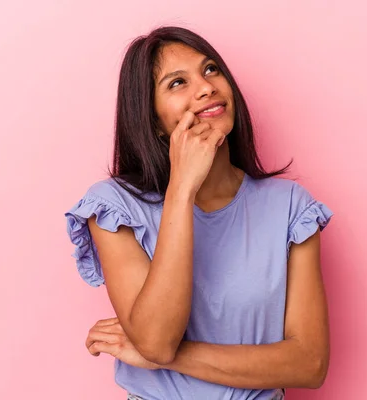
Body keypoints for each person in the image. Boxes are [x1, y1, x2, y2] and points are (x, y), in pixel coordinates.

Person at [64, 26, 334, 400]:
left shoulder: (290, 207)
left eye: (210, 70)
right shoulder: (114, 207)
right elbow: (157, 339)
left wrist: (163, 357)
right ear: (153, 120)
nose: (206, 87)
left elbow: (309, 364)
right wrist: (181, 188)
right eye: (177, 83)